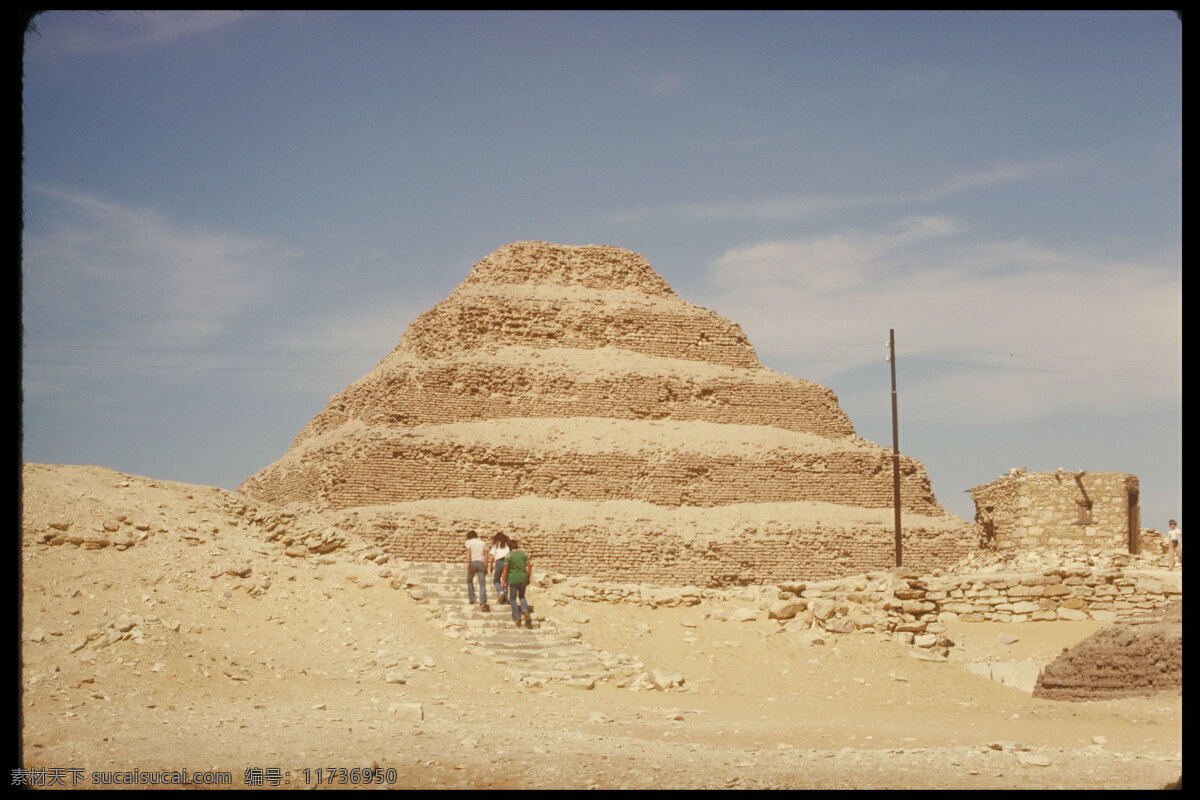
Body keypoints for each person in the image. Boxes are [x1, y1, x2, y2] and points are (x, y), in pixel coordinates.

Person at [501, 538, 532, 628]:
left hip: (513, 578)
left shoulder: (508, 555)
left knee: (513, 598)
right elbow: (529, 567)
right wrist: (528, 578)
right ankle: (525, 610)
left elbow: (505, 569)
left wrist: (503, 580)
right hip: (523, 578)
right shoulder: (524, 554)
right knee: (522, 596)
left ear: (510, 547)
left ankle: (516, 617)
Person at [465, 530, 488, 610]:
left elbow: (469, 553)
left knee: (469, 581)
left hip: (473, 563)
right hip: (481, 563)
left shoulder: (469, 542)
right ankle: (483, 602)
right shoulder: (483, 543)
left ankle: (473, 599)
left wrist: (467, 563)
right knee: (482, 583)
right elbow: (485, 555)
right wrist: (486, 565)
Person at [487, 532, 511, 604]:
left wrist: (491, 566)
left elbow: (493, 557)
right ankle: (505, 600)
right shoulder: (507, 544)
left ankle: (500, 591)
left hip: (499, 562)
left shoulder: (496, 544)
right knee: (506, 581)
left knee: (496, 581)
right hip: (507, 562)